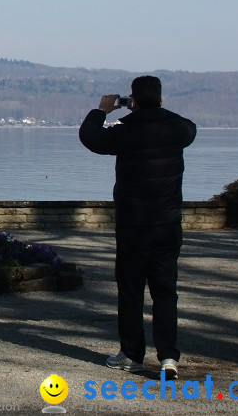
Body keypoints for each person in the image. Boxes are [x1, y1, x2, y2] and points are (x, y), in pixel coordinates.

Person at [79, 75, 196, 380]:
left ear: (132, 100)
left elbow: (90, 137)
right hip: (167, 224)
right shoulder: (176, 129)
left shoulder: (125, 132)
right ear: (160, 99)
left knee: (131, 291)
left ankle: (132, 355)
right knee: (166, 291)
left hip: (133, 225)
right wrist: (156, 109)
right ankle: (169, 356)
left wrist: (102, 110)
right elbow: (189, 127)